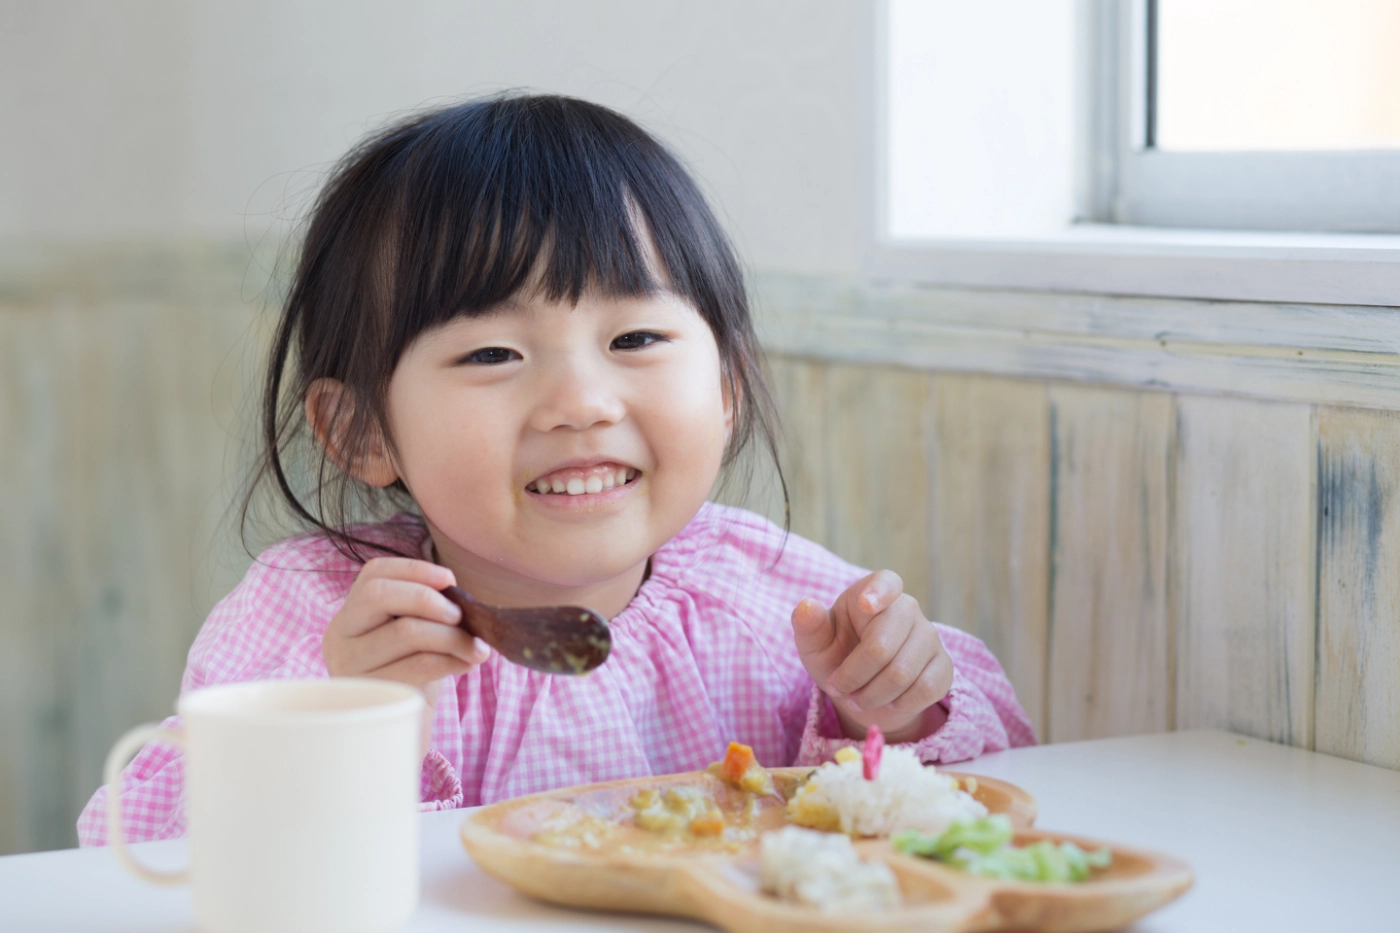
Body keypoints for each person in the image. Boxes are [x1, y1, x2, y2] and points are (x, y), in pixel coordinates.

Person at [79, 94, 1033, 845]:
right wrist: (348, 718)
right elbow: (149, 851)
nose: (582, 400)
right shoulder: (311, 618)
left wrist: (893, 713)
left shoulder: (778, 606)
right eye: (493, 354)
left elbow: (989, 797)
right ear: (360, 427)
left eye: (637, 336)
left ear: (730, 385)